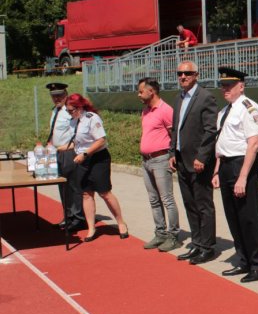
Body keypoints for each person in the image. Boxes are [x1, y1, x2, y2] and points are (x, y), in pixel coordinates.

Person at [214, 67, 258, 283]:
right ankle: (244, 259)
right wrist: (218, 169)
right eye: (223, 85)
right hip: (227, 164)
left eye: (229, 85)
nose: (225, 89)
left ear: (241, 86)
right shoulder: (225, 111)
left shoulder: (248, 107)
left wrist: (243, 177)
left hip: (242, 166)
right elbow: (221, 142)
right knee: (233, 217)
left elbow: (253, 144)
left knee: (249, 217)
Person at [170, 60, 218, 265]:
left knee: (203, 205)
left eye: (187, 73)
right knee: (190, 203)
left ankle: (208, 247)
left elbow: (210, 130)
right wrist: (173, 151)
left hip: (199, 162)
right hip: (181, 160)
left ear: (196, 75)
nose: (183, 77)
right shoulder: (180, 98)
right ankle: (197, 243)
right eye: (180, 73)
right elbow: (175, 128)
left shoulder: (205, 97)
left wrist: (202, 156)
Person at [62, 94, 128, 242]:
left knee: (104, 192)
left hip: (98, 158)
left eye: (71, 110)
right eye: (67, 111)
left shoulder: (92, 118)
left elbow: (101, 140)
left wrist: (85, 154)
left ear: (79, 107)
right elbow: (78, 143)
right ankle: (91, 227)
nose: (69, 113)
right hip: (82, 159)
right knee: (86, 193)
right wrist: (59, 148)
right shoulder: (74, 121)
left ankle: (121, 223)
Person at [138, 77, 181, 252]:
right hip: (146, 160)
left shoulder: (165, 110)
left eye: (141, 91)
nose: (138, 94)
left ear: (151, 91)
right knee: (153, 199)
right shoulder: (146, 110)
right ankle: (160, 233)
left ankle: (174, 236)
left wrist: (173, 155)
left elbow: (174, 135)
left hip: (161, 159)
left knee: (167, 199)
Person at [46, 82, 86, 232]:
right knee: (62, 185)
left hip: (69, 152)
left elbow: (77, 132)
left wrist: (71, 147)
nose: (57, 99)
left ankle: (78, 218)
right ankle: (68, 215)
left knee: (74, 185)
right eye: (54, 96)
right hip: (58, 152)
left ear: (66, 94)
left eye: (60, 95)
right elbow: (55, 131)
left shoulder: (69, 111)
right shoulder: (55, 111)